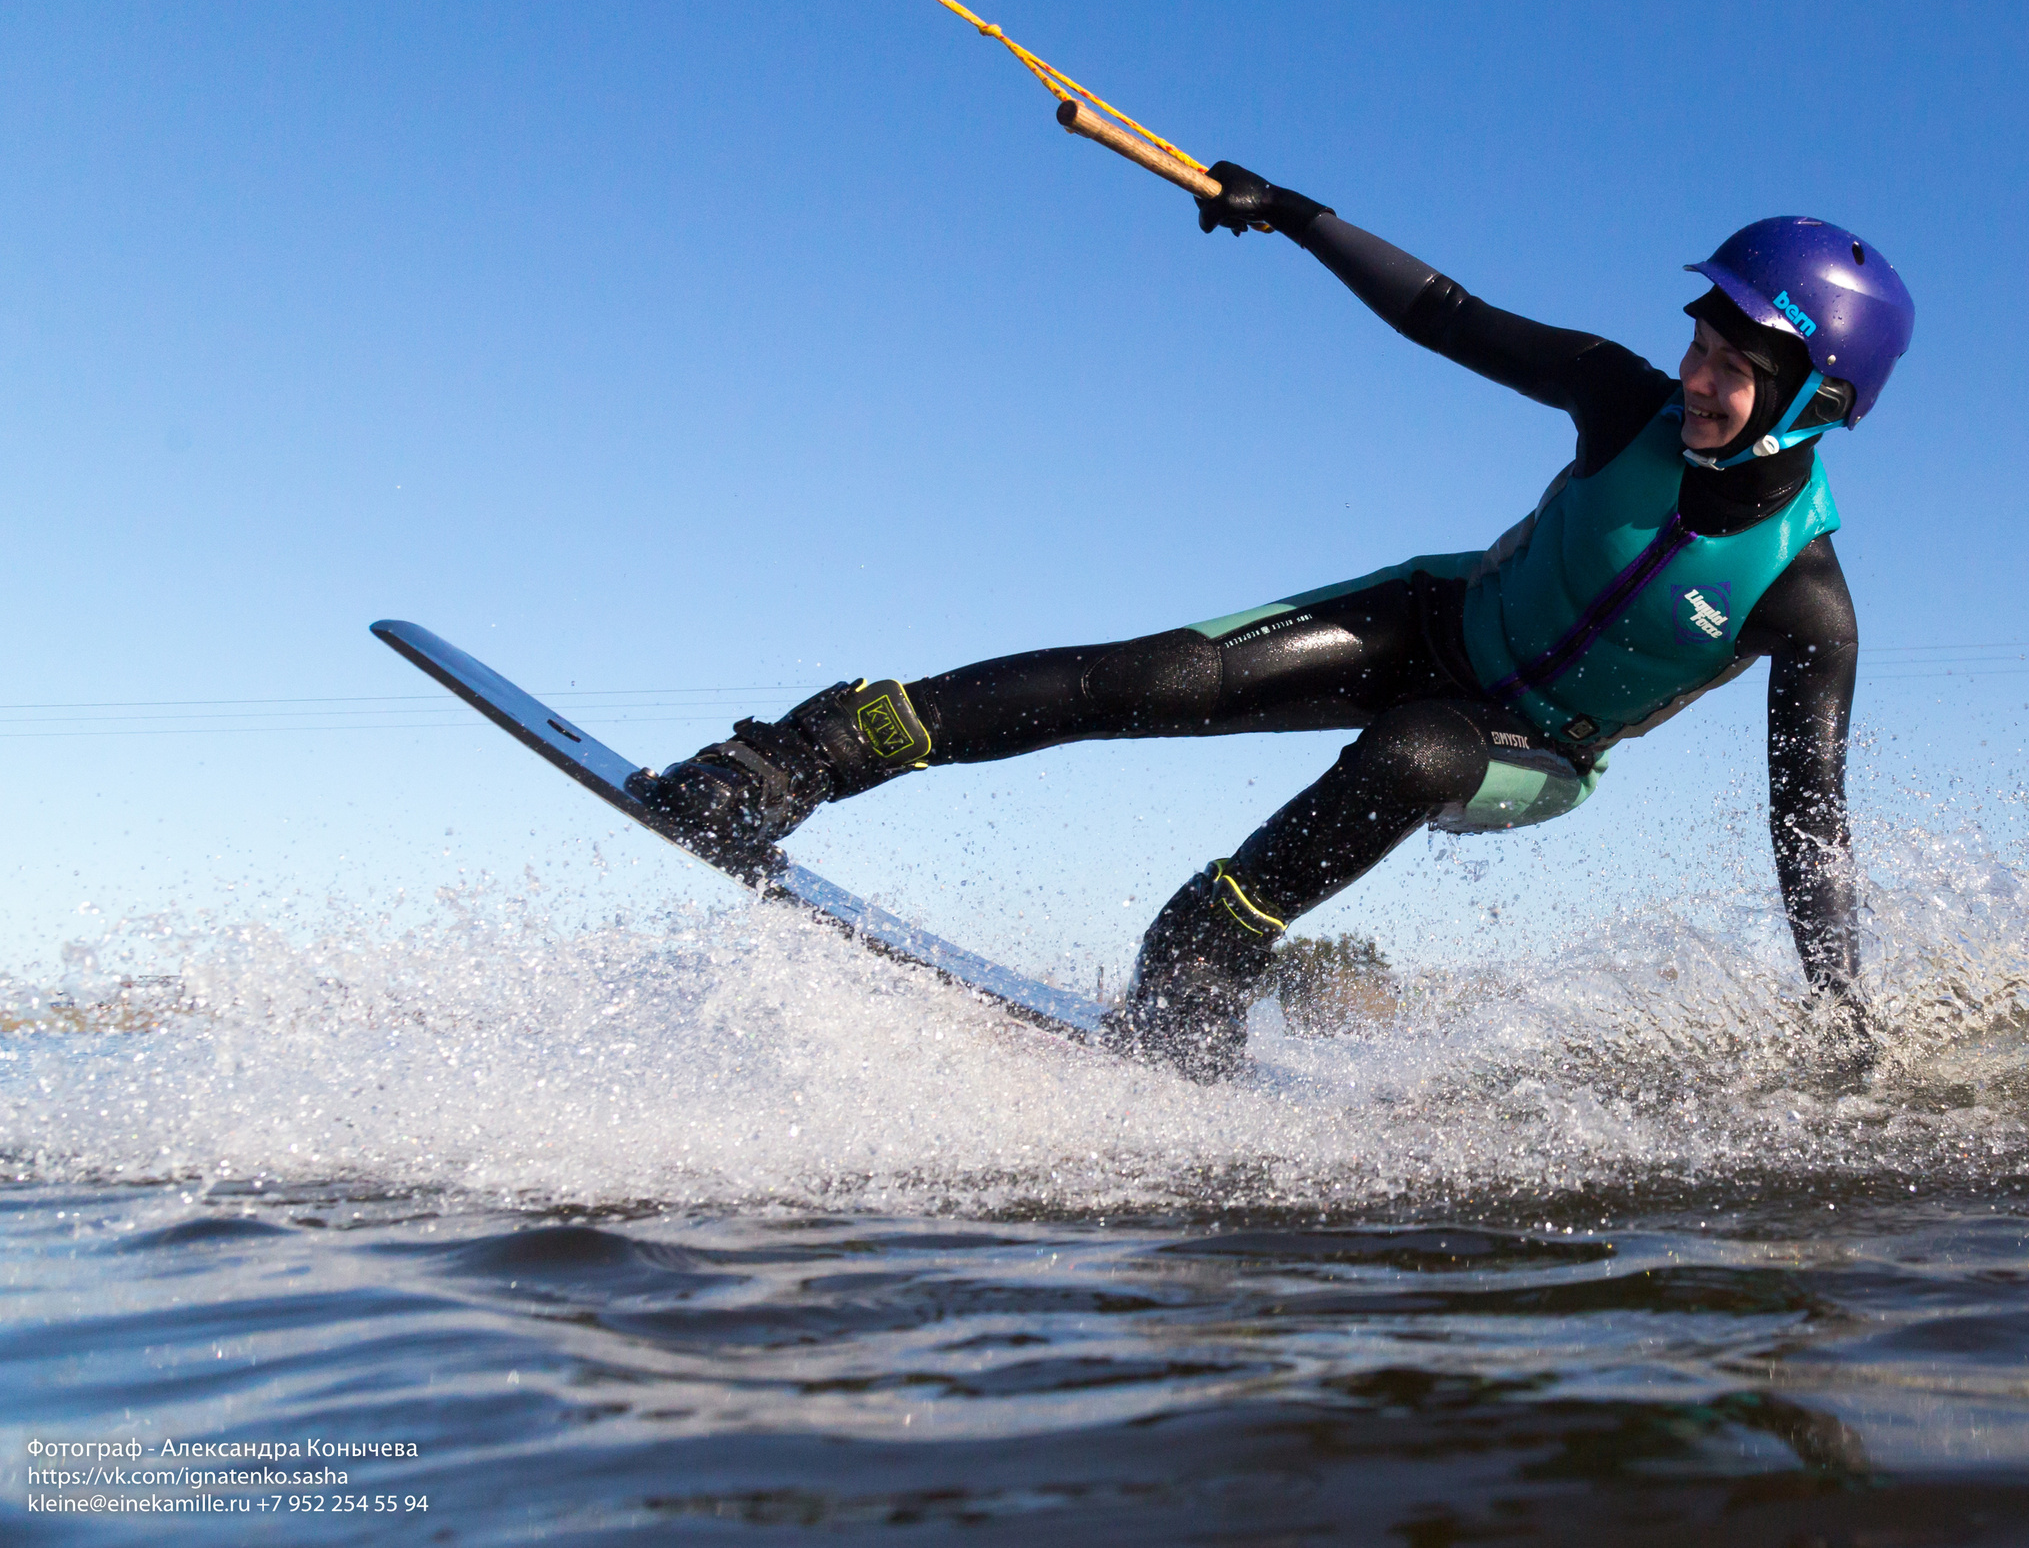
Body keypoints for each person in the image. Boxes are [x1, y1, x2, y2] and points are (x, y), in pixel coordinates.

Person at [632, 167, 1915, 1081]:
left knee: (1420, 748)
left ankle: (1204, 948)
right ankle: (797, 758)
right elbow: (1448, 316)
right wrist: (1299, 216)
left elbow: (1810, 826)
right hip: (1435, 614)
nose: (1696, 376)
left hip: (1528, 754)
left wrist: (1843, 1021)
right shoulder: (1615, 400)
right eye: (1699, 343)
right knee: (1157, 674)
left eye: (1734, 366)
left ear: (1816, 400)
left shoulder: (1805, 604)